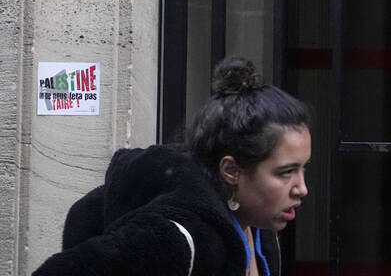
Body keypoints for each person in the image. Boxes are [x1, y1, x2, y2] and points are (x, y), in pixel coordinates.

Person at [34, 57, 310, 276]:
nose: (302, 189)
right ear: (231, 171)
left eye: (303, 168)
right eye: (285, 172)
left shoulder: (260, 230)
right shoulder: (175, 237)